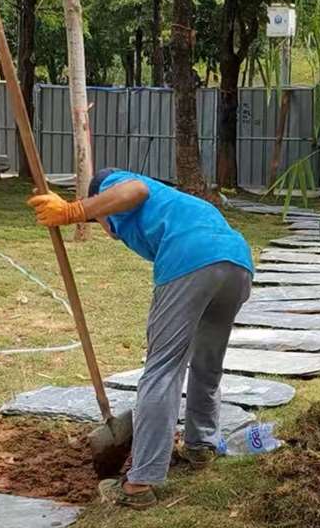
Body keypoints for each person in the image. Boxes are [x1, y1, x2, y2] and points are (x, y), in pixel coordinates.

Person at [27, 170, 254, 509]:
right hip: (238, 265)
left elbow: (135, 189)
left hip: (191, 261)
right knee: (207, 364)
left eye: (97, 219)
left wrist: (75, 211)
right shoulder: (178, 204)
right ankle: (201, 446)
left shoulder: (119, 183)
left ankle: (140, 483)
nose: (101, 228)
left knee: (163, 370)